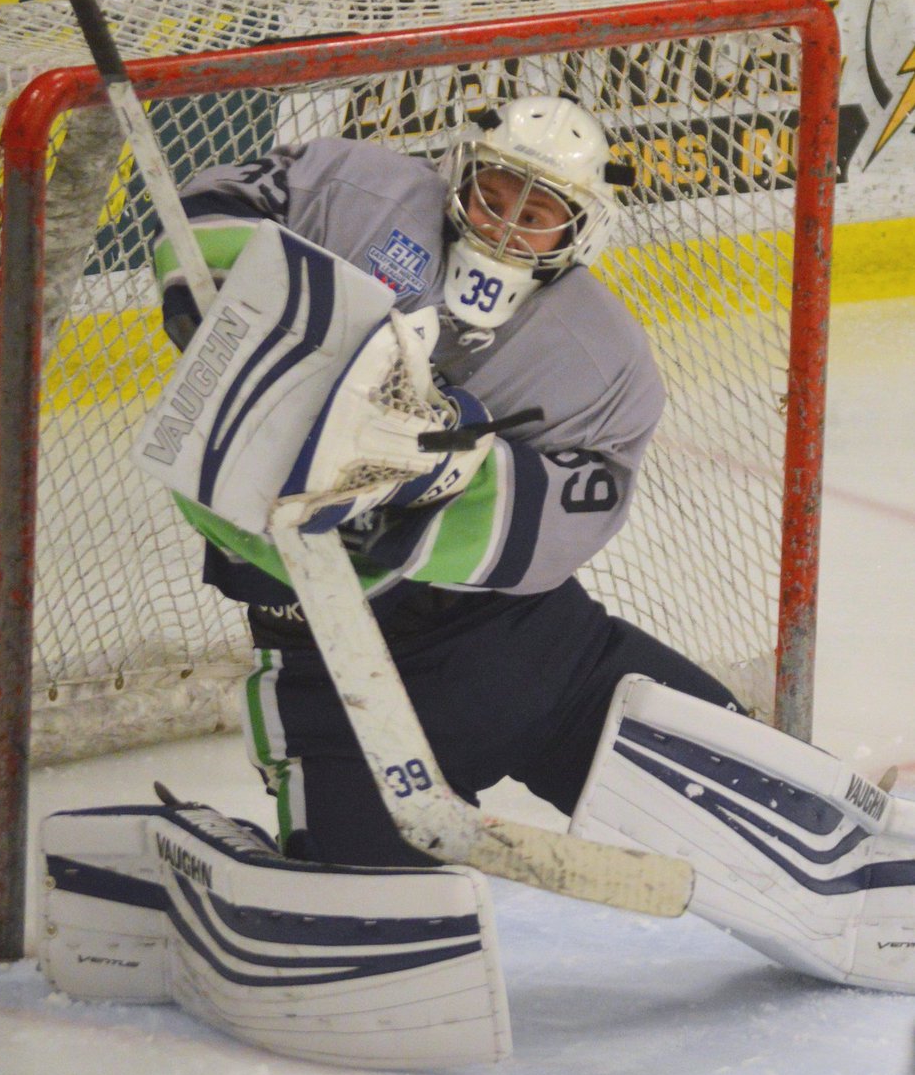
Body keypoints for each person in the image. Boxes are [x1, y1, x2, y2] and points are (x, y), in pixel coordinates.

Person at [151, 95, 745, 867]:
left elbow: (564, 517)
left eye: (534, 215)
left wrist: (426, 484)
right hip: (333, 667)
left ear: (580, 229)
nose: (502, 225)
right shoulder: (361, 191)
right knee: (359, 913)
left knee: (748, 794)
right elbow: (214, 198)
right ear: (461, 174)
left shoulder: (602, 358)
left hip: (520, 648)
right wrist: (222, 306)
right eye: (492, 196)